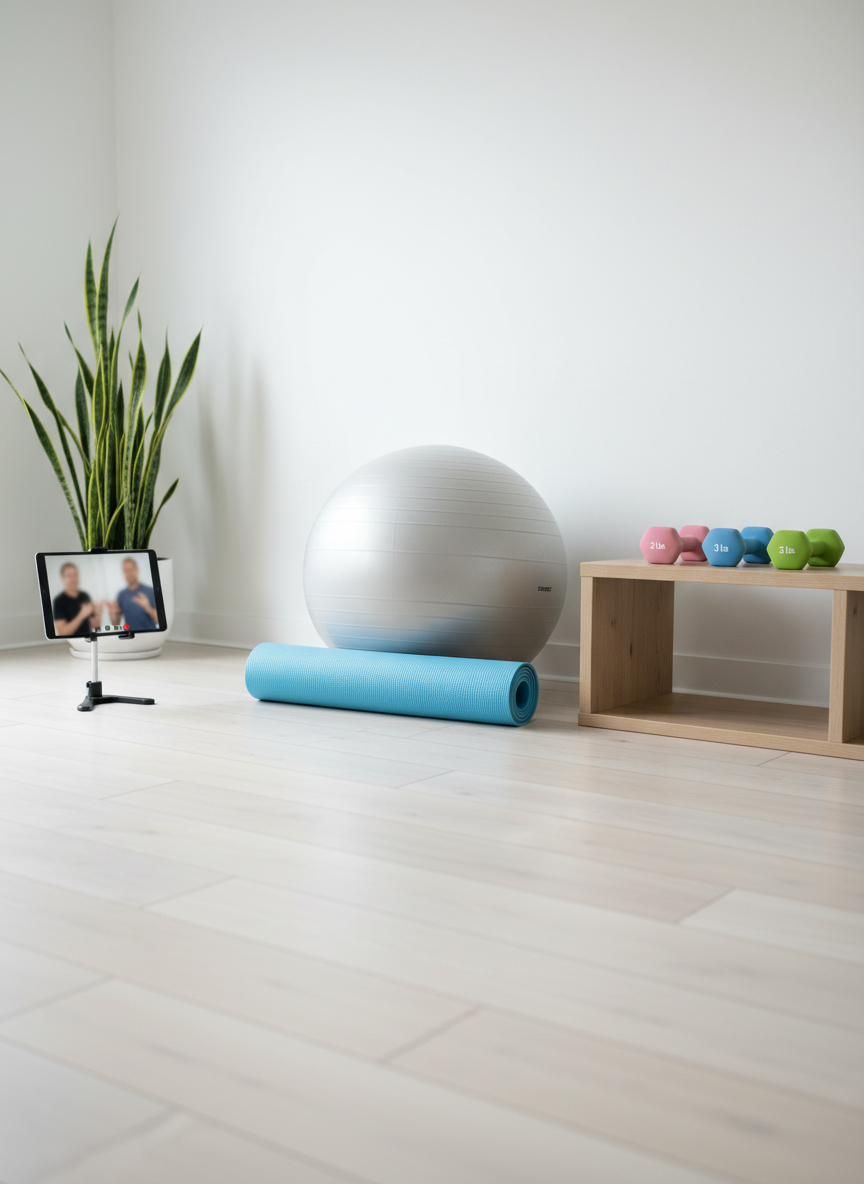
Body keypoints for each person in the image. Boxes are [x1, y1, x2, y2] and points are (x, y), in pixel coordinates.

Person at [109, 557, 159, 631]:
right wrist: (113, 614)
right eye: (126, 570)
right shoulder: (121, 595)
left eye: (131, 569)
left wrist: (147, 607)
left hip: (149, 635)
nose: (129, 573)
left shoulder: (149, 591)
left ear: (137, 570)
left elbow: (158, 620)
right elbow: (115, 625)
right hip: (130, 636)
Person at [52, 563, 101, 637]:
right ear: (62, 579)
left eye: (75, 575)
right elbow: (62, 633)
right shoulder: (58, 601)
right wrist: (81, 615)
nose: (73, 579)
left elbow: (95, 628)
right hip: (72, 644)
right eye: (69, 576)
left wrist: (98, 613)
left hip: (89, 640)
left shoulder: (85, 596)